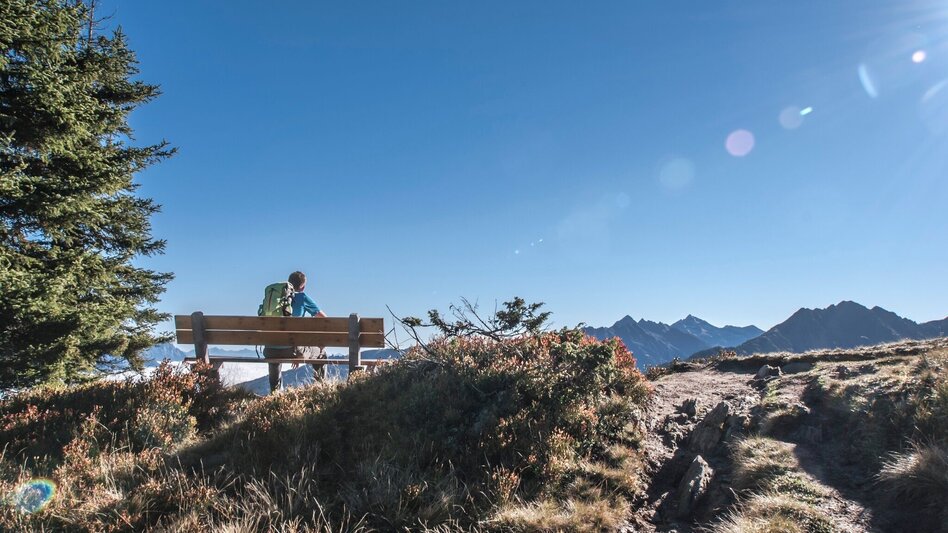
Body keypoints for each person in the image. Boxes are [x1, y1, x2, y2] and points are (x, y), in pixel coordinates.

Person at [264, 271, 328, 392]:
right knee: (322, 353)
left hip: (270, 350)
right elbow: (325, 319)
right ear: (303, 286)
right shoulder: (302, 297)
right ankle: (321, 389)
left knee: (275, 352)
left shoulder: (275, 301)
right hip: (294, 349)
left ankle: (275, 393)